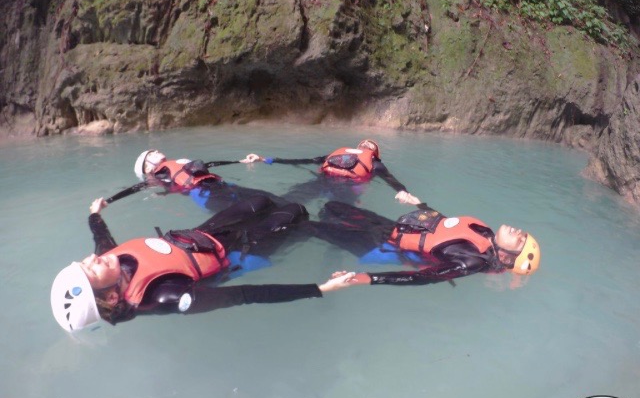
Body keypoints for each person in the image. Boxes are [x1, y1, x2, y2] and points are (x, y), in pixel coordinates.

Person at [50, 195, 357, 332]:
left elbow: (100, 236)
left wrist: (95, 212)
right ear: (111, 297)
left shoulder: (109, 261)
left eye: (84, 261)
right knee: (294, 212)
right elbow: (246, 295)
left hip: (201, 235)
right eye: (90, 269)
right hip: (233, 256)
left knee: (260, 203)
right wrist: (321, 288)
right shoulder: (167, 296)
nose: (92, 258)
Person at [304, 200, 541, 286]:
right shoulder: (486, 233)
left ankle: (315, 237)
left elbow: (419, 278)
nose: (520, 233)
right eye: (524, 235)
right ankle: (331, 241)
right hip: (395, 228)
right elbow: (444, 226)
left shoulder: (471, 262)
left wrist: (362, 278)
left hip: (385, 248)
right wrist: (418, 204)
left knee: (307, 226)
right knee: (333, 207)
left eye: (520, 241)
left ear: (507, 256)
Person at [240, 139, 422, 206]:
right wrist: (403, 192)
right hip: (348, 188)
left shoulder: (337, 155)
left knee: (286, 201)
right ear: (374, 154)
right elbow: (390, 180)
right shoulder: (375, 163)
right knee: (337, 217)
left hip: (322, 181)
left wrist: (264, 159)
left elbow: (304, 161)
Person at [116, 149, 286, 211]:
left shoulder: (176, 163)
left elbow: (209, 165)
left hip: (221, 185)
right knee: (255, 209)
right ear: (147, 168)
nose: (155, 151)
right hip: (204, 194)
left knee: (269, 198)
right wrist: (111, 200)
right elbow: (143, 186)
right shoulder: (158, 175)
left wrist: (241, 161)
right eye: (150, 154)